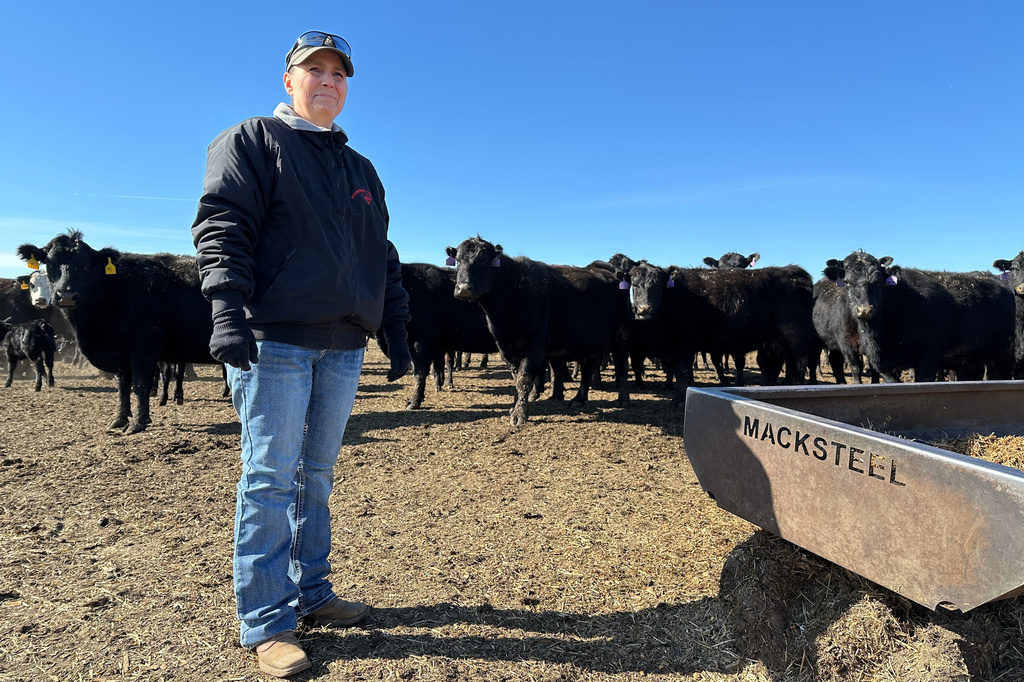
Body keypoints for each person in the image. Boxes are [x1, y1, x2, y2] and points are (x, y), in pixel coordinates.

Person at [191, 30, 412, 678]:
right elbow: (222, 224)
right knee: (268, 479)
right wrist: (227, 308)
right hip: (276, 343)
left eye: (338, 73)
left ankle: (313, 593)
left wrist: (394, 328)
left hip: (343, 348)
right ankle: (266, 623)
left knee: (315, 477)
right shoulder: (253, 141)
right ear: (288, 81)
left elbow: (383, 257)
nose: (327, 81)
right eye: (313, 70)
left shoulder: (362, 170)